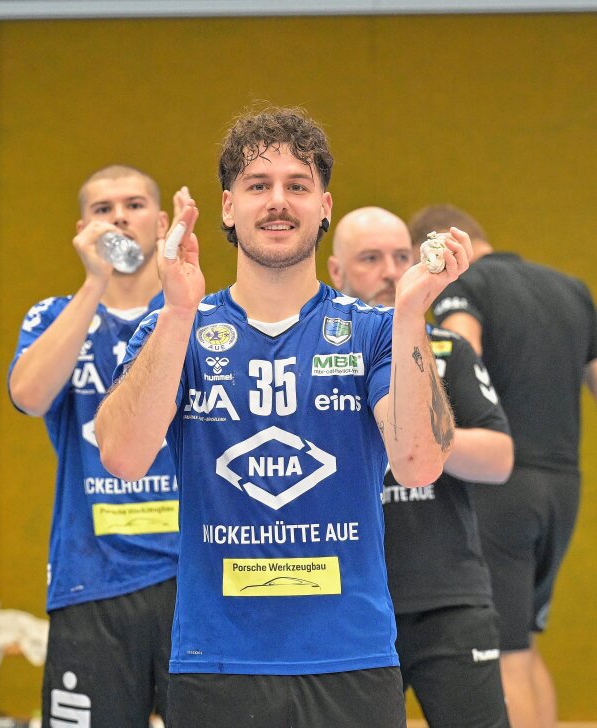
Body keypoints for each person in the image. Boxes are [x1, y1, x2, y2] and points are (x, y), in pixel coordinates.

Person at [94, 106, 472, 728]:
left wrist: (411, 316)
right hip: (215, 663)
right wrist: (178, 312)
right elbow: (124, 458)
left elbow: (418, 463)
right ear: (226, 206)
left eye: (297, 186)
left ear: (324, 206)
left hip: (351, 660)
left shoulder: (375, 330)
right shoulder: (177, 329)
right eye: (258, 186)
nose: (278, 202)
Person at [327, 206, 513, 728]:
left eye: (400, 257)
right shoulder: (317, 359)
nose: (390, 271)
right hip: (345, 601)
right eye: (370, 258)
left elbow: (500, 459)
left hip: (446, 599)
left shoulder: (448, 350)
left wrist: (413, 432)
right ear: (337, 273)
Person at [416, 204, 597, 728]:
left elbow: (457, 354)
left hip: (503, 486)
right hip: (564, 485)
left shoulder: (466, 285)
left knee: (504, 651)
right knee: (525, 643)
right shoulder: (572, 290)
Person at [9, 165, 178, 727]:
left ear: (162, 222)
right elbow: (29, 396)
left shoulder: (200, 320)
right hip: (92, 578)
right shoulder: (54, 315)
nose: (120, 217)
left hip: (195, 580)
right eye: (104, 209)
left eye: (133, 205)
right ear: (83, 229)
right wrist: (94, 285)